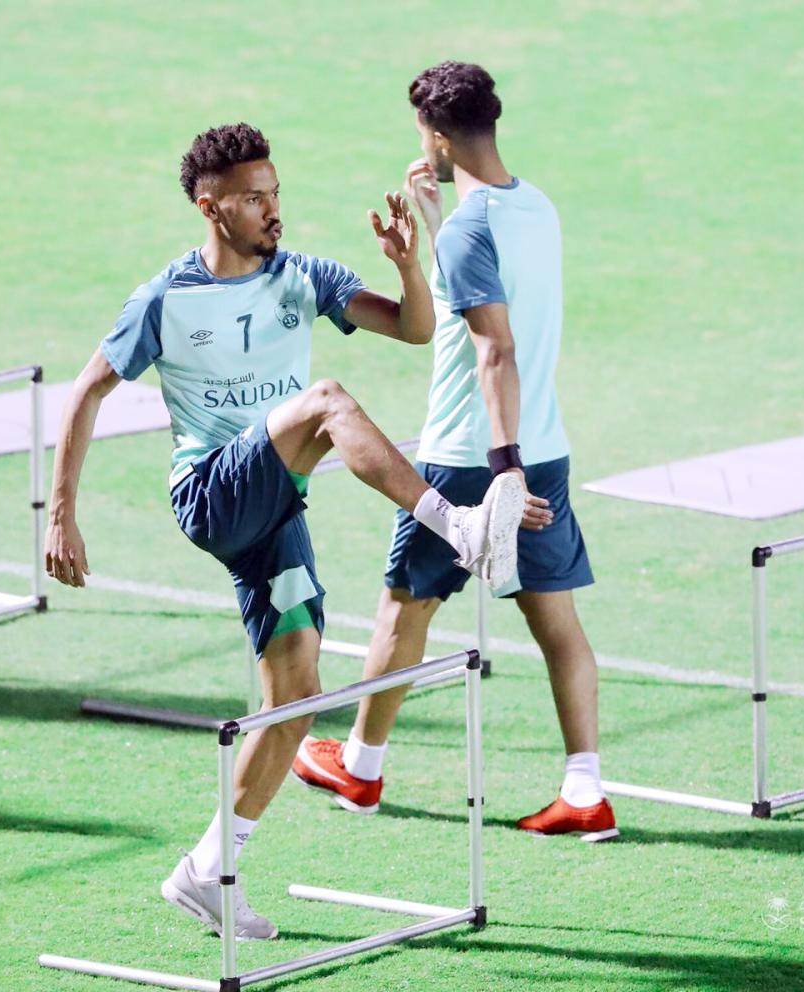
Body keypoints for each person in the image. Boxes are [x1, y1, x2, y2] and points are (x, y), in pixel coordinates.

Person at [44, 122, 526, 940]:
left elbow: (414, 329)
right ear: (211, 208)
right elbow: (87, 390)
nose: (274, 209)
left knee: (297, 695)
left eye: (276, 193)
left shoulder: (305, 277)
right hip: (212, 494)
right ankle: (459, 528)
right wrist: (61, 514)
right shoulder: (165, 299)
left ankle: (208, 871)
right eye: (254, 198)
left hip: (273, 509)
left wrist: (408, 267)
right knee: (327, 401)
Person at [294, 63, 619, 842]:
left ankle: (361, 769)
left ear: (438, 137)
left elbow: (493, 348)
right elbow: (482, 292)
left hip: (472, 456)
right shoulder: (533, 207)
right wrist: (438, 224)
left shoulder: (473, 231)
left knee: (404, 608)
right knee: (558, 622)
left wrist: (502, 468)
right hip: (545, 449)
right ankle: (585, 790)